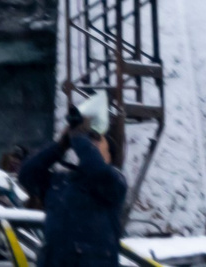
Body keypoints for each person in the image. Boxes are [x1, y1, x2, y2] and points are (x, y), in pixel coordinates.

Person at [16, 94, 127, 267]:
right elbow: (27, 173)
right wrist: (60, 145)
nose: (92, 144)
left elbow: (97, 171)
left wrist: (80, 139)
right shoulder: (61, 182)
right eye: (91, 140)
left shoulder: (113, 182)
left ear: (110, 155)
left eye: (97, 139)